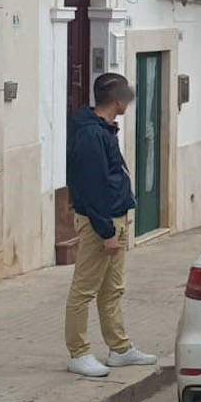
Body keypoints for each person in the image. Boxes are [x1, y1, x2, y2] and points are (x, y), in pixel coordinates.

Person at [64, 72, 159, 377]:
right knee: (85, 289)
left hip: (115, 218)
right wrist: (105, 231)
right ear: (117, 100)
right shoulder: (91, 134)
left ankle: (120, 348)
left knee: (113, 289)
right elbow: (92, 187)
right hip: (101, 224)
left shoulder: (103, 129)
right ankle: (78, 353)